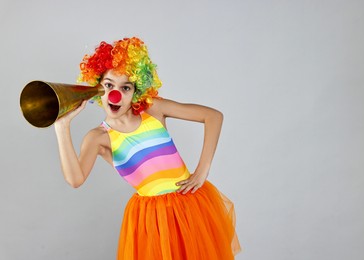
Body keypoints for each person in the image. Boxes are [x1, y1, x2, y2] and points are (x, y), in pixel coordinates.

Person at [54, 37, 240, 259]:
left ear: (136, 90)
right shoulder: (99, 137)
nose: (116, 94)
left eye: (126, 87)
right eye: (109, 85)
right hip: (153, 220)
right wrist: (62, 127)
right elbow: (75, 179)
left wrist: (202, 170)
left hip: (190, 209)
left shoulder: (153, 110)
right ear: (97, 88)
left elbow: (213, 116)